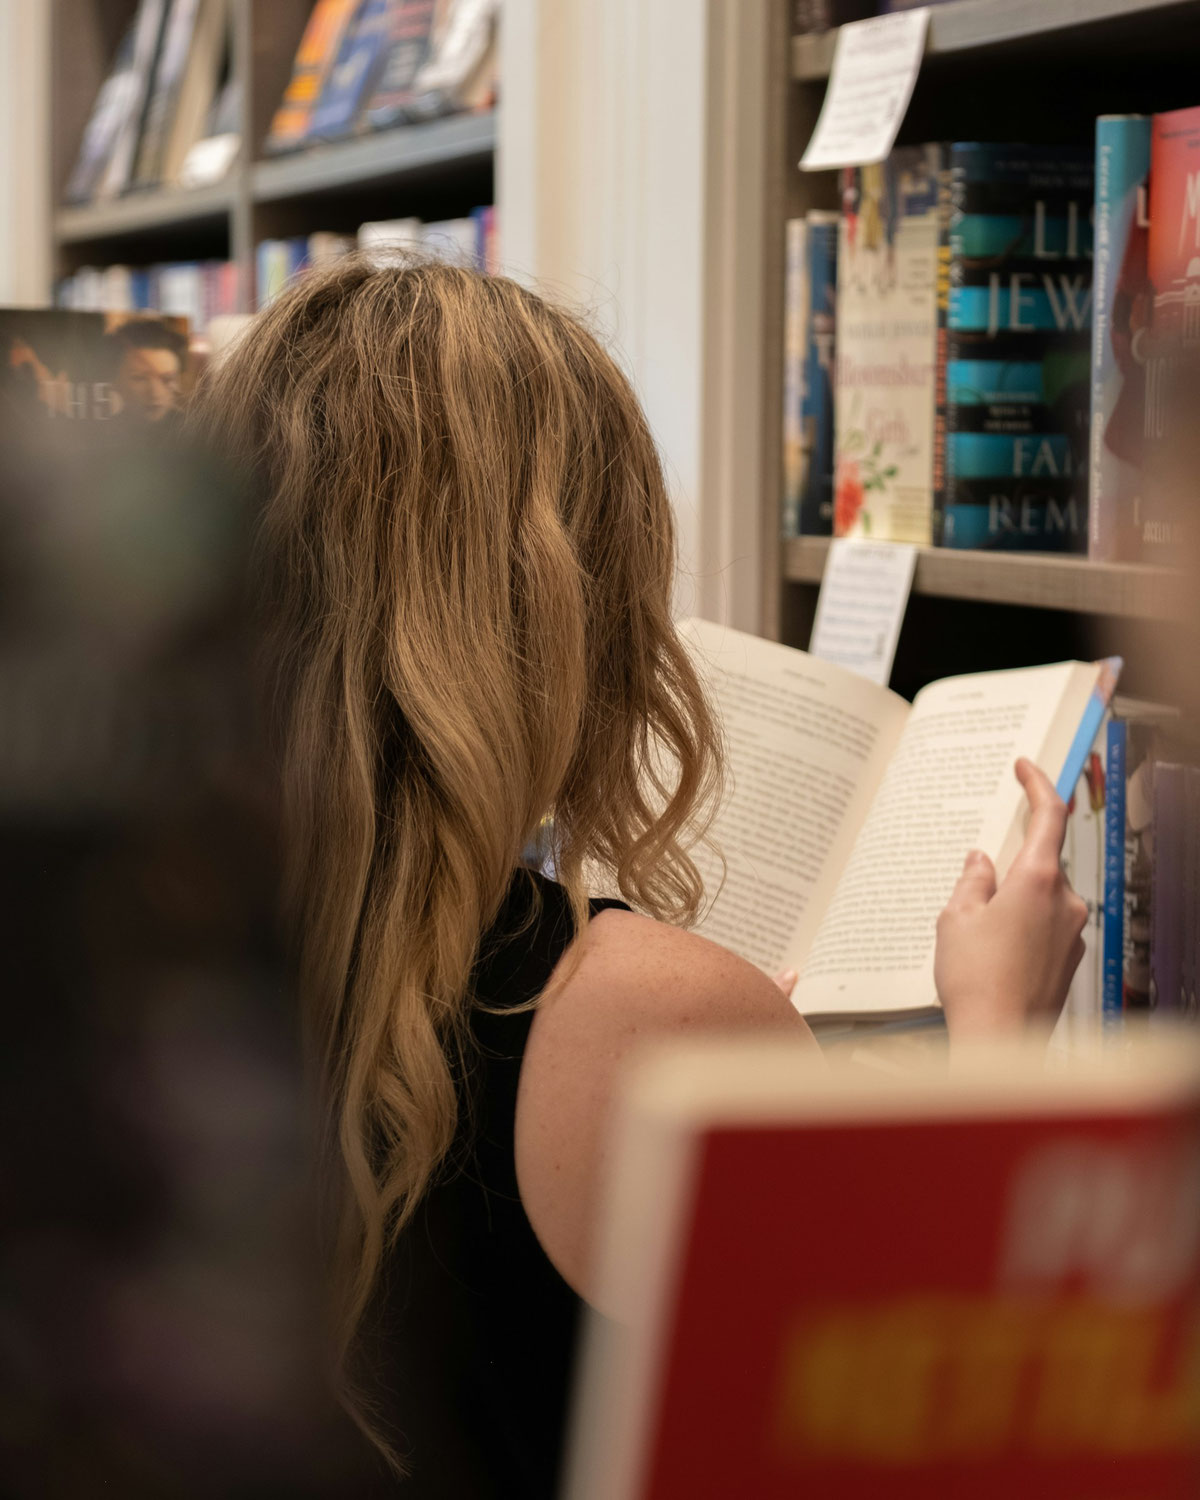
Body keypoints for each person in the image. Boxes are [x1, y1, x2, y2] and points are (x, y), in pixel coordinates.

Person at [190, 256, 1087, 1496]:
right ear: (566, 606)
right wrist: (995, 1049)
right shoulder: (643, 1021)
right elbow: (926, 1451)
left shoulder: (126, 956)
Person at [104, 317, 187, 424]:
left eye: (167, 379)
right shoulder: (101, 433)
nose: (155, 393)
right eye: (140, 378)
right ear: (115, 381)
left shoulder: (198, 432)